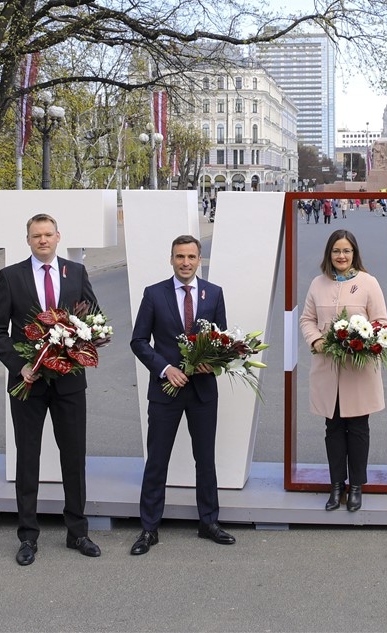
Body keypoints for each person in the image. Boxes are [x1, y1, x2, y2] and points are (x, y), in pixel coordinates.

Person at [0, 213, 102, 566]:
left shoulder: (76, 273)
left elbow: (94, 320)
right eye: (36, 236)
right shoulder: (11, 277)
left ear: (58, 237)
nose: (43, 240)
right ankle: (27, 536)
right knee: (27, 458)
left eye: (48, 234)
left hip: (69, 383)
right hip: (28, 382)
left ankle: (77, 532)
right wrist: (18, 365)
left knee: (74, 457)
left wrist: (79, 346)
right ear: (28, 240)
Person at [128, 235, 235, 555]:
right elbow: (138, 341)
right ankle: (149, 528)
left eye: (190, 257)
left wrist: (212, 362)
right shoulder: (154, 294)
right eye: (179, 257)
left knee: (205, 459)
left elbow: (222, 340)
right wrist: (164, 369)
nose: (185, 262)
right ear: (171, 259)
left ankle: (209, 522)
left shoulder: (213, 293)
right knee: (157, 461)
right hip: (166, 391)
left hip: (202, 392)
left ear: (199, 259)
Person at [298, 230, 387, 512]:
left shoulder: (368, 283)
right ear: (329, 254)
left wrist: (364, 341)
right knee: (333, 428)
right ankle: (336, 485)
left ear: (354, 253)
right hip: (328, 368)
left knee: (358, 428)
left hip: (358, 370)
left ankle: (357, 486)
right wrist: (316, 339)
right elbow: (307, 319)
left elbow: (381, 321)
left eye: (346, 251)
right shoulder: (318, 283)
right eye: (336, 251)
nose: (341, 256)